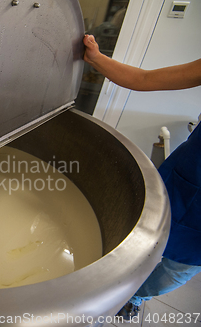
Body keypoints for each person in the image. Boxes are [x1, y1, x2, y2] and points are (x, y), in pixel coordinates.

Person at [83, 34, 201, 320]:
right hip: (189, 176)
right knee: (136, 241)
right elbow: (145, 80)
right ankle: (99, 292)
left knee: (175, 271)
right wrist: (97, 58)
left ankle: (135, 295)